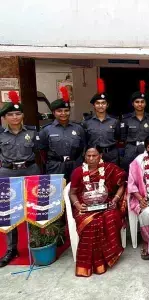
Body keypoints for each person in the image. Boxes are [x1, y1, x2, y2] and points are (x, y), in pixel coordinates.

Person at [68, 146, 126, 277]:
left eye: (94, 156)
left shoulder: (109, 168)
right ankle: (95, 263)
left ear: (100, 156)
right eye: (88, 156)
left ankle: (109, 256)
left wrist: (115, 200)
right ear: (84, 157)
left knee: (110, 217)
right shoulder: (78, 172)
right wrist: (77, 205)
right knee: (92, 224)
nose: (91, 158)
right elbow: (72, 193)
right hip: (84, 206)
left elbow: (122, 184)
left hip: (106, 203)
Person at [0, 92, 41, 268]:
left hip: (30, 171)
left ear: (23, 115)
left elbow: (41, 153)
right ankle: (11, 249)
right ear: (4, 117)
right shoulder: (1, 135)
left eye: (18, 114)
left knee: (35, 208)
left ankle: (37, 243)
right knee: (10, 213)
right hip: (8, 173)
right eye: (10, 114)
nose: (14, 117)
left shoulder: (33, 132)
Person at [39, 86, 85, 181]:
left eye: (66, 110)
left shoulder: (78, 128)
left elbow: (82, 147)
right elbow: (42, 151)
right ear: (54, 112)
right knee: (57, 192)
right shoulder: (46, 130)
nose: (63, 113)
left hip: (75, 164)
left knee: (75, 190)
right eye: (59, 111)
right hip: (56, 166)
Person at [120, 81, 149, 172]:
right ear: (133, 104)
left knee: (148, 173)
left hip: (147, 150)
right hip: (130, 150)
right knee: (129, 173)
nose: (139, 104)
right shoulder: (126, 119)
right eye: (137, 102)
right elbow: (122, 137)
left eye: (142, 102)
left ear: (145, 103)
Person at [82, 79, 120, 164]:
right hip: (93, 156)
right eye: (98, 103)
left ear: (107, 105)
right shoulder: (87, 122)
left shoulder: (115, 121)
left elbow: (118, 137)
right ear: (94, 105)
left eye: (103, 103)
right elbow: (84, 140)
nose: (100, 106)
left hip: (111, 155)